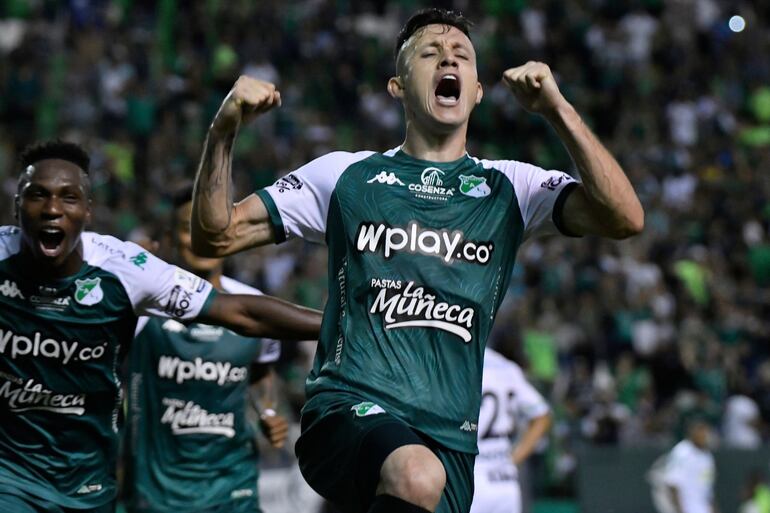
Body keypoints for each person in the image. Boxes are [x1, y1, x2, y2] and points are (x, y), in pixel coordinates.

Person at [191, 8, 643, 513]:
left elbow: (624, 217)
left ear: (476, 91)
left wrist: (558, 108)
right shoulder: (345, 176)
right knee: (414, 473)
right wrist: (224, 128)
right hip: (347, 408)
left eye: (462, 56)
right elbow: (216, 235)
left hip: (451, 439)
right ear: (398, 86)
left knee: (420, 476)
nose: (448, 57)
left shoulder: (510, 188)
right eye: (429, 53)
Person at [0, 140, 322, 513]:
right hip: (17, 477)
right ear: (16, 206)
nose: (52, 209)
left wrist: (346, 324)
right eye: (37, 196)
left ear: (88, 211)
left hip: (88, 483)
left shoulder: (125, 271)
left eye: (68, 197)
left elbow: (245, 317)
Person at [123, 183, 290, 513]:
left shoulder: (256, 307)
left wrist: (268, 410)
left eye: (208, 227)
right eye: (188, 229)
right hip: (158, 492)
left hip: (233, 486)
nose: (199, 239)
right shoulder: (142, 308)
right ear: (169, 239)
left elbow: (260, 369)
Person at [469, 348, 551, 513]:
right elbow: (542, 416)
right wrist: (513, 458)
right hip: (504, 477)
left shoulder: (456, 362)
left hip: (470, 474)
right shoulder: (506, 367)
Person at [649, 420, 718, 513]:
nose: (704, 436)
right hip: (686, 508)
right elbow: (672, 484)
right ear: (692, 433)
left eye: (706, 432)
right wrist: (679, 510)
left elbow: (707, 489)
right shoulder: (682, 452)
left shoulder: (707, 457)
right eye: (700, 432)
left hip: (702, 508)